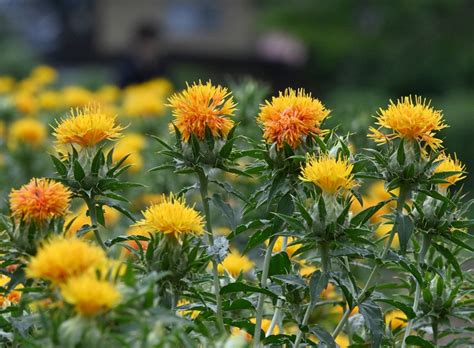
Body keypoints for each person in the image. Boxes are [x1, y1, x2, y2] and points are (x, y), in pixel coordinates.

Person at [118, 23, 168, 87]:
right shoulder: (127, 68)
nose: (147, 51)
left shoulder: (162, 67)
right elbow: (122, 89)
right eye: (144, 46)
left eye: (150, 47)